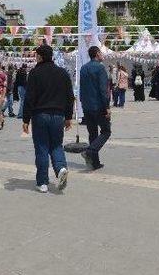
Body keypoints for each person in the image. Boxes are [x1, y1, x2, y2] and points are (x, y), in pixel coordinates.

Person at [22, 45, 74, 192]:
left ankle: (43, 182)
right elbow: (69, 97)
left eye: (36, 55)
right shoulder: (62, 73)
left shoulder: (34, 73)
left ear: (40, 56)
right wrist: (68, 117)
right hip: (58, 115)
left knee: (42, 147)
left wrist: (25, 119)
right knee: (56, 145)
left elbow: (29, 98)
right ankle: (61, 168)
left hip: (40, 115)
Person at [79, 46, 111, 170]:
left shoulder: (83, 68)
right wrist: (107, 107)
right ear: (97, 54)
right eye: (101, 53)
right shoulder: (100, 68)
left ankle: (94, 163)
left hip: (87, 106)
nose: (102, 55)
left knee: (92, 133)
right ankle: (90, 151)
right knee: (106, 131)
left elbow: (82, 87)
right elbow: (103, 90)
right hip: (98, 106)